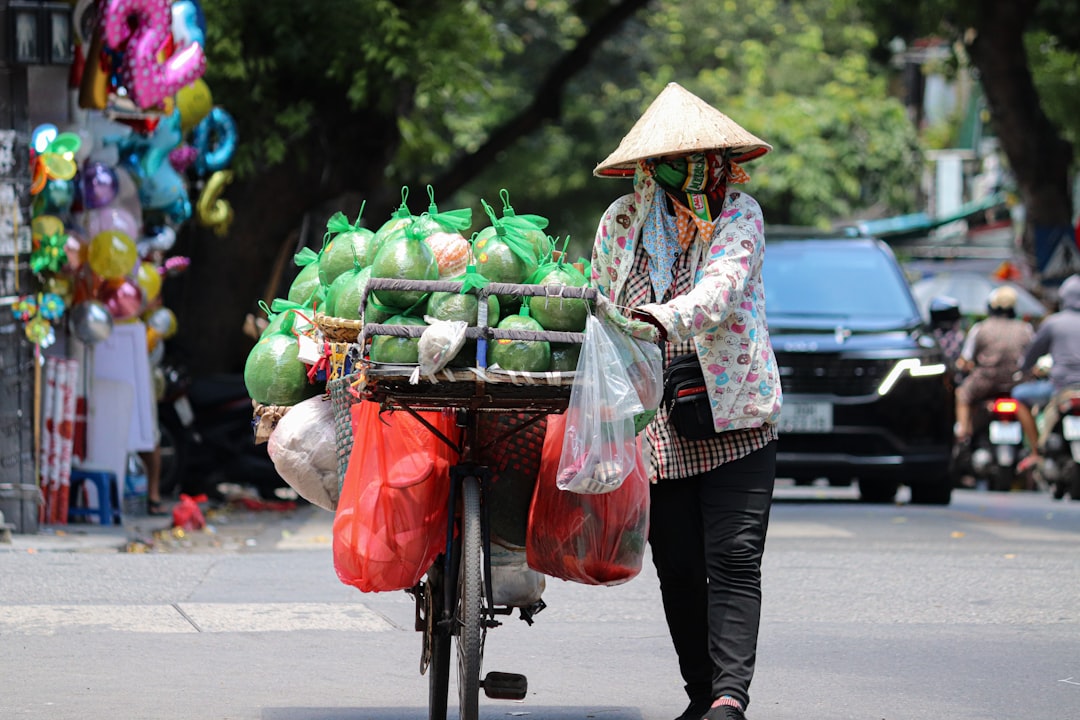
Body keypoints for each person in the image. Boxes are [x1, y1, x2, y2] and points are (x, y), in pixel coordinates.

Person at [589, 82, 782, 720]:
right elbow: (597, 301)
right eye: (680, 159)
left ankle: (729, 698)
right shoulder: (621, 222)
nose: (697, 170)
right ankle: (701, 694)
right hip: (657, 424)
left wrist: (656, 318)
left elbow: (721, 291)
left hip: (736, 412)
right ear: (648, 169)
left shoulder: (740, 215)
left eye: (707, 157)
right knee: (677, 566)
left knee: (733, 556)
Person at [952, 286, 1034, 444]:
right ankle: (1035, 446)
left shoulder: (980, 328)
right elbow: (1032, 357)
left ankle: (963, 433)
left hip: (985, 382)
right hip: (1017, 383)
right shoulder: (1025, 329)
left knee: (962, 394)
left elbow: (966, 359)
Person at [1013, 274, 1080, 457]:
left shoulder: (1053, 323)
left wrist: (1024, 368)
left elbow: (1032, 355)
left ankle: (1035, 451)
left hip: (1059, 387)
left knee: (1017, 395)